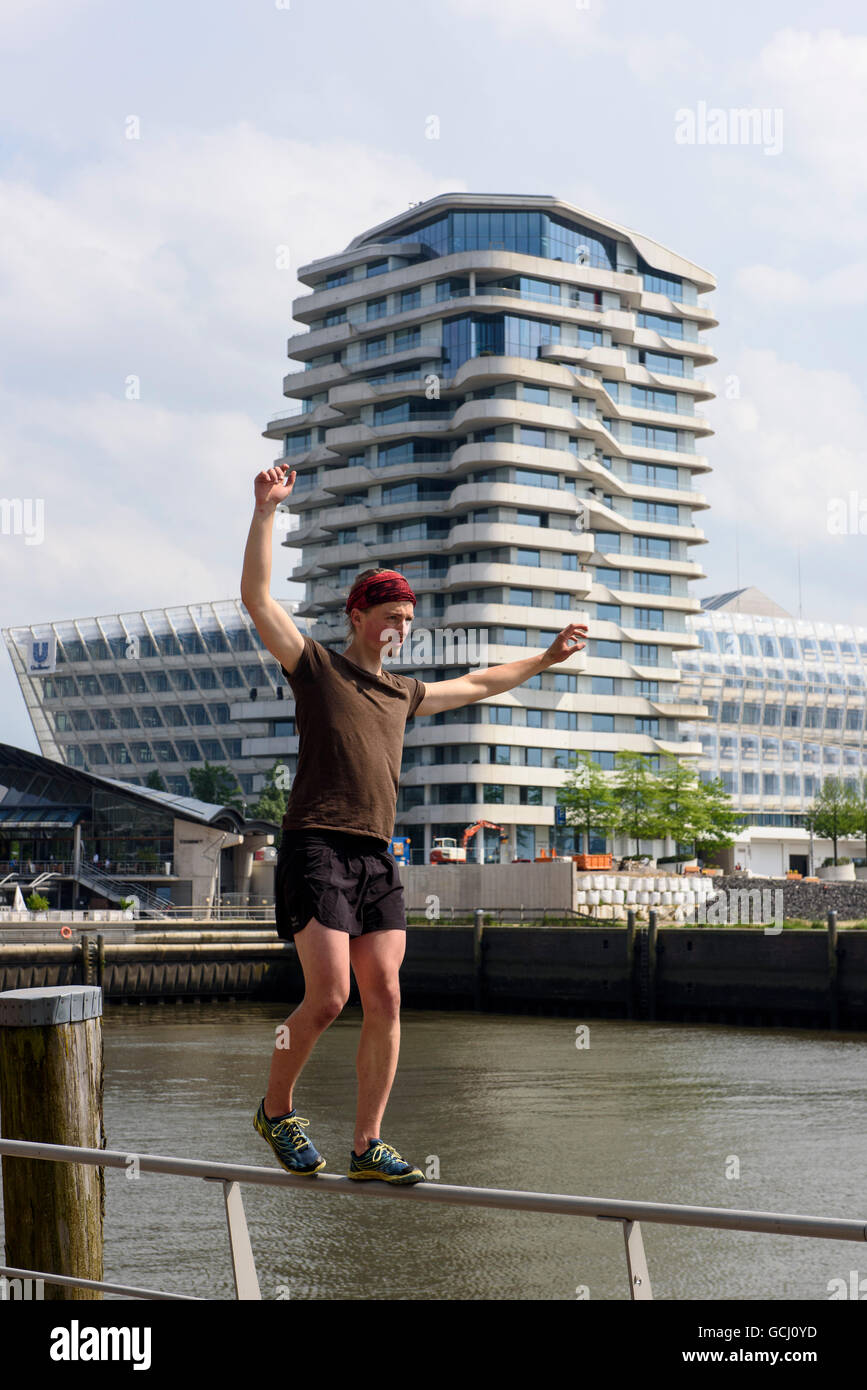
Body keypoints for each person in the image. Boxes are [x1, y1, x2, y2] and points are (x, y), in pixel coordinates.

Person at [241, 462, 588, 1183]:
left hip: (375, 856)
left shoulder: (402, 692)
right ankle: (276, 1110)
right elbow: (257, 597)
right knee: (329, 995)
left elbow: (480, 683)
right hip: (316, 846)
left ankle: (367, 1144)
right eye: (390, 617)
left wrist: (547, 658)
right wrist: (267, 511)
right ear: (357, 616)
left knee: (389, 996)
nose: (400, 629)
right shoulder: (315, 667)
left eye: (407, 621)